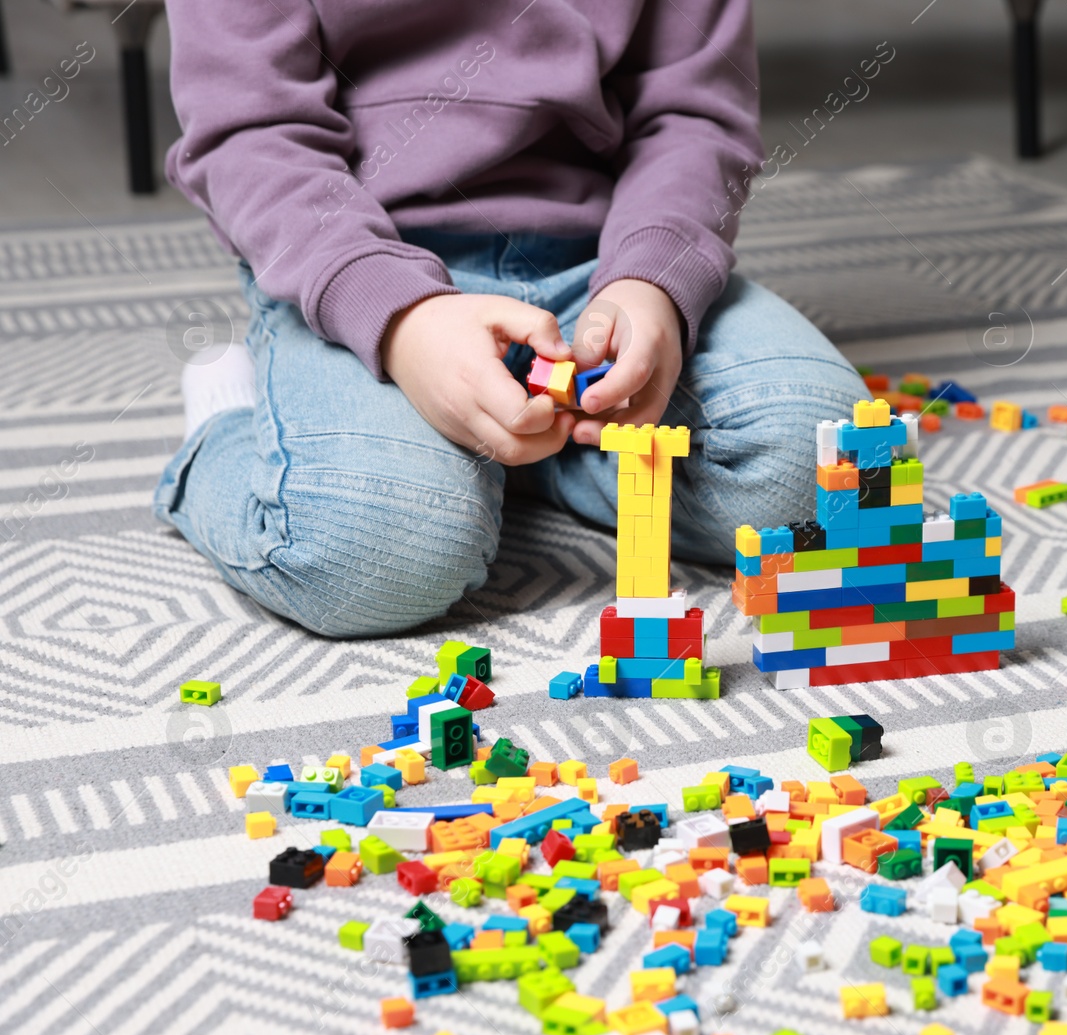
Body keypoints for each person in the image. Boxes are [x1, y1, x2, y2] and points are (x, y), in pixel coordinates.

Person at [154, 0, 866, 637]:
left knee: (828, 472)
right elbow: (249, 136)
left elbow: (695, 114)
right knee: (372, 552)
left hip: (606, 254)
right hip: (360, 262)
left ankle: (514, 441)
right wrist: (399, 317)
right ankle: (228, 422)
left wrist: (653, 281)